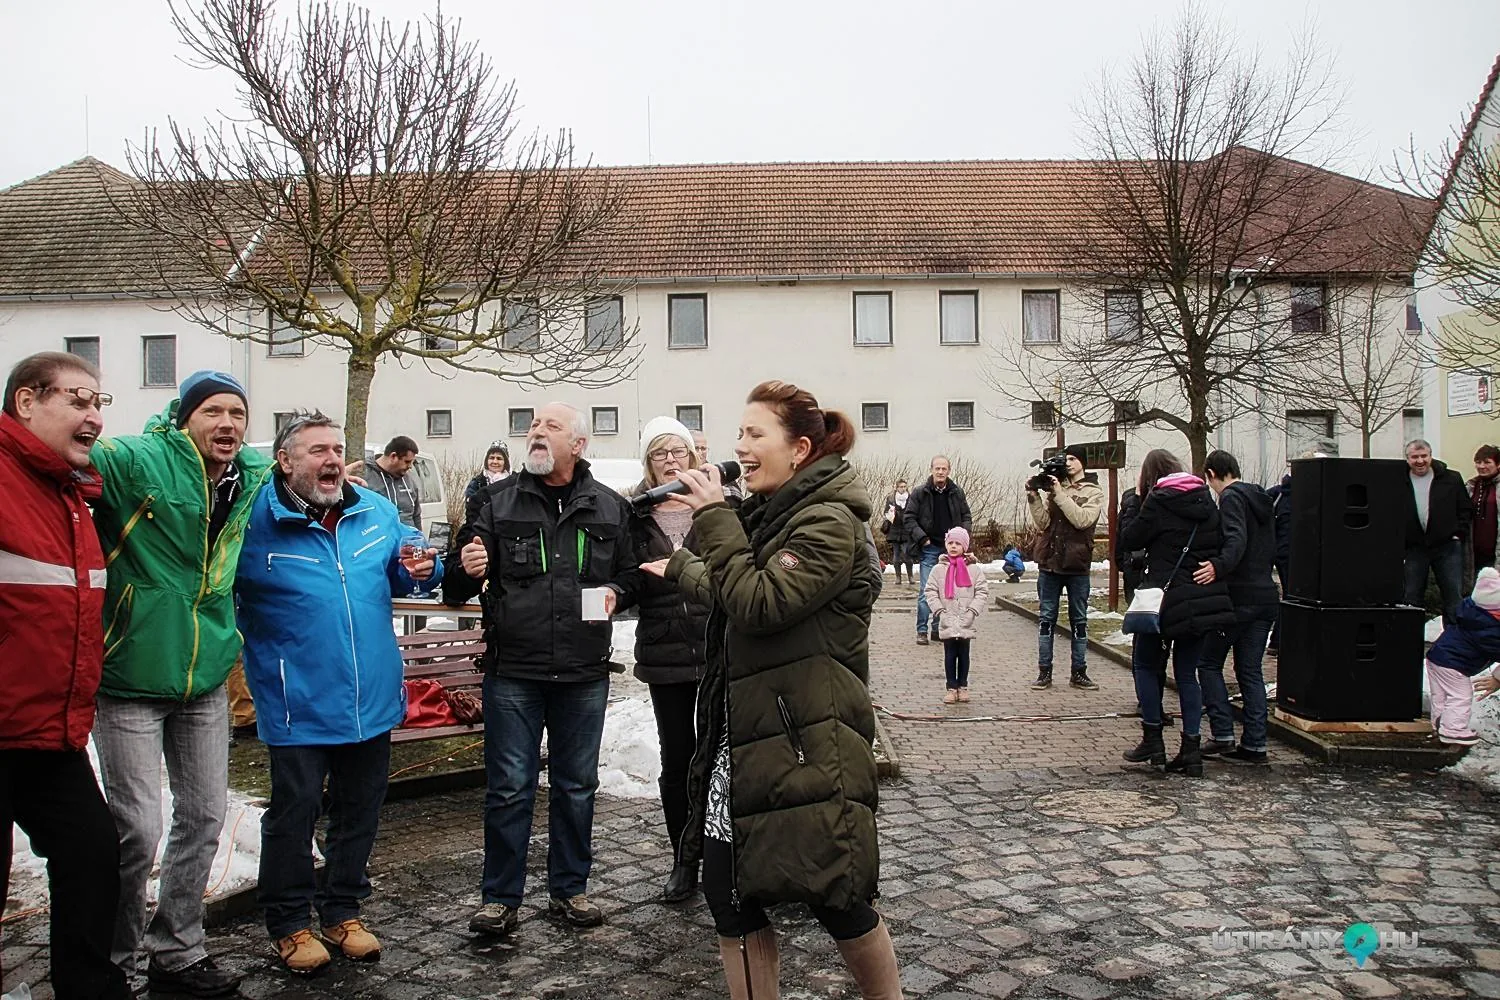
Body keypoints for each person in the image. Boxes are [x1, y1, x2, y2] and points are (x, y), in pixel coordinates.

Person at [641, 380, 901, 1000]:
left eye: (755, 434)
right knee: (730, 895)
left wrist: (711, 517)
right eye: (740, 434)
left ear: (801, 448)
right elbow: (743, 589)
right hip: (749, 737)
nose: (740, 448)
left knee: (834, 892)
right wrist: (682, 567)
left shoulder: (830, 522)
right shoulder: (775, 514)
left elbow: (762, 602)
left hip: (805, 738)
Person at [235, 411, 442, 974]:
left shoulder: (374, 510)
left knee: (360, 811)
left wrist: (424, 565)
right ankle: (289, 921)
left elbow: (413, 567)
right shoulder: (253, 521)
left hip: (370, 697)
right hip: (295, 698)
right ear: (285, 462)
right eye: (316, 451)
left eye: (336, 449)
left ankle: (342, 910)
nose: (332, 460)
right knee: (294, 811)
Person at [88, 369, 270, 997]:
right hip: (132, 675)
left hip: (204, 678)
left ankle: (178, 949)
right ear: (184, 417)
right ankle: (109, 960)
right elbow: (79, 456)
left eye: (237, 414)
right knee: (135, 828)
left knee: (204, 816)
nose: (227, 424)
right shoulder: (138, 461)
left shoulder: (249, 479)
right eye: (213, 412)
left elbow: (313, 480)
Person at [445, 403, 641, 937]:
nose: (536, 433)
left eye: (550, 427)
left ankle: (569, 890)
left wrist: (615, 595)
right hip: (513, 671)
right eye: (532, 426)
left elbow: (631, 578)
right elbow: (453, 582)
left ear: (577, 444)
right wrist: (464, 566)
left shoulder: (609, 507)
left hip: (583, 672)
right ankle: (499, 898)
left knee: (576, 786)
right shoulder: (496, 500)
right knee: (509, 788)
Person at [0, 352, 131, 1000]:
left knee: (91, 855)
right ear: (27, 401)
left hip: (48, 731)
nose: (94, 417)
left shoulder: (72, 496)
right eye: (79, 400)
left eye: (99, 403)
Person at [625, 416, 717, 903]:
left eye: (678, 452)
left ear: (693, 458)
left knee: (722, 757)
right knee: (677, 757)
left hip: (717, 646)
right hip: (664, 651)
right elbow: (623, 579)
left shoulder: (717, 508)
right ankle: (684, 859)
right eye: (660, 454)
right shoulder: (634, 516)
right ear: (648, 462)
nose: (670, 461)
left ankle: (726, 854)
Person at [1118, 449, 1236, 778]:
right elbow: (1218, 542)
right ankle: (1192, 750)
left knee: (1144, 663)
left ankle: (1153, 741)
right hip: (1200, 598)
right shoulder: (1205, 500)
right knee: (1187, 674)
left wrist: (1136, 505)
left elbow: (1131, 538)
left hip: (1164, 599)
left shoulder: (1157, 499)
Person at [1193, 450, 1276, 765]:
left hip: (1239, 597)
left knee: (1208, 662)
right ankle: (1255, 745)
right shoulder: (1262, 498)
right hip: (1265, 595)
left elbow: (1235, 539)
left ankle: (1223, 734)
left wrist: (1218, 565)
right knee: (1250, 670)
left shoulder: (1230, 498)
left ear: (1212, 473)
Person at [1026, 445, 1104, 691]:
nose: (1068, 463)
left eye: (1073, 458)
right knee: (1046, 619)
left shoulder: (1093, 491)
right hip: (1050, 563)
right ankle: (1044, 672)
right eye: (1066, 458)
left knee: (1079, 620)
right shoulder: (1056, 486)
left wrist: (1060, 494)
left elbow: (1082, 520)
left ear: (1083, 462)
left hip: (1077, 564)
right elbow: (1044, 524)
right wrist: (1034, 497)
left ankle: (1079, 672)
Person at [1424, 567, 1500, 746]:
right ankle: (1453, 729)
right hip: (1453, 664)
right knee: (1461, 696)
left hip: (1438, 658)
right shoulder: (1490, 630)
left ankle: (1440, 722)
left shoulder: (1472, 612)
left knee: (1441, 695)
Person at [904, 455, 972, 645]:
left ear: (949, 471)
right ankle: (922, 630)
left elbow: (966, 515)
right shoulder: (920, 493)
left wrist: (962, 538)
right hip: (929, 548)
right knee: (927, 591)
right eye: (937, 468)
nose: (940, 472)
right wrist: (922, 538)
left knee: (947, 592)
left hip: (951, 551)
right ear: (931, 469)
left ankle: (937, 629)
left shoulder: (956, 492)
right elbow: (909, 518)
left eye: (944, 469)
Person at [1403, 439, 1472, 625]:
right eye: (1414, 457)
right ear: (1407, 459)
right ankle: (1409, 642)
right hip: (1414, 548)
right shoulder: (1399, 480)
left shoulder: (1452, 478)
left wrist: (1459, 534)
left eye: (1424, 456)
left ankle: (1454, 644)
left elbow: (1465, 508)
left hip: (1447, 546)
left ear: (1431, 456)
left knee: (1453, 597)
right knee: (1411, 596)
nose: (1420, 461)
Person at [924, 527, 989, 704]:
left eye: (957, 543)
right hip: (947, 617)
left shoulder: (974, 570)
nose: (953, 546)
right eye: (950, 543)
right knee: (950, 654)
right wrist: (939, 611)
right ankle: (951, 687)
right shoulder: (938, 569)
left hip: (966, 618)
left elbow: (982, 592)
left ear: (965, 546)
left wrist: (973, 610)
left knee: (964, 654)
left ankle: (963, 686)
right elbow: (930, 591)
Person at [363, 435, 422, 530]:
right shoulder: (366, 478)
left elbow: (416, 516)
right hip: (381, 542)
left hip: (408, 542)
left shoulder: (409, 480)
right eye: (407, 462)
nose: (410, 466)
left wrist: (420, 539)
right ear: (393, 456)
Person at [1468, 444, 1500, 583]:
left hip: (1495, 551)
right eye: (1478, 462)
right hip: (1474, 552)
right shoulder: (1471, 486)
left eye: (1487, 462)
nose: (1482, 466)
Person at [880, 478, 917, 585]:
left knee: (907, 554)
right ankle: (898, 577)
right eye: (901, 487)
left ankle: (910, 576)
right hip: (894, 529)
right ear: (897, 487)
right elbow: (886, 512)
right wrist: (891, 513)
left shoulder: (910, 498)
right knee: (896, 555)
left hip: (906, 529)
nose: (903, 488)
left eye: (904, 486)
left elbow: (914, 512)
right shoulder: (891, 499)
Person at [1115, 487, 1148, 603]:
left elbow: (1120, 536)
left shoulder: (1129, 499)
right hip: (1136, 562)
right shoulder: (1131, 499)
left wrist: (1122, 562)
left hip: (1133, 562)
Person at [465, 442, 511, 507]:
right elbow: (471, 509)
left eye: (499, 458)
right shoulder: (477, 483)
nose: (495, 462)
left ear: (505, 462)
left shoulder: (512, 483)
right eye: (492, 458)